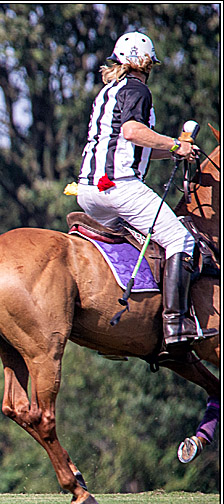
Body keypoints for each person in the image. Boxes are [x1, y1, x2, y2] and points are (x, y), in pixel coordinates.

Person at [75, 31, 206, 351]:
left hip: (88, 191)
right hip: (121, 188)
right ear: (147, 65)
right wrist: (176, 143)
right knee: (181, 239)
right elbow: (134, 132)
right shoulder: (138, 89)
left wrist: (172, 151)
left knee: (139, 247)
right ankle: (175, 323)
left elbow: (130, 143)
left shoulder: (107, 92)